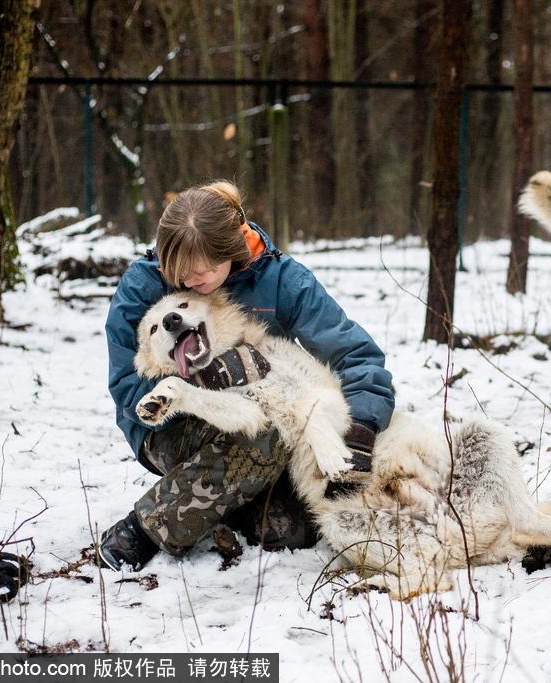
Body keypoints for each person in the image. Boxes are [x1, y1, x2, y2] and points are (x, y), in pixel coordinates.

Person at [98, 181, 394, 571]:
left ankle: (218, 507)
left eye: (199, 272)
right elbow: (128, 385)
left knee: (298, 529)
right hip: (172, 426)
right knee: (265, 433)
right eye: (177, 272)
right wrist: (205, 384)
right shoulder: (143, 284)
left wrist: (362, 429)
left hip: (268, 413)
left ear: (231, 252)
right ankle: (146, 528)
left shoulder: (283, 280)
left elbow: (355, 355)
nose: (186, 282)